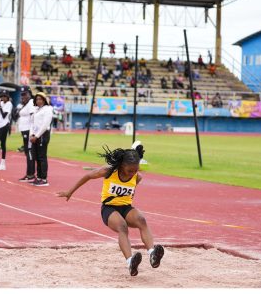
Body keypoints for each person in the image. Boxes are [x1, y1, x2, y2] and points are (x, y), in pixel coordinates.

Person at [56, 143, 165, 276]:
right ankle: (131, 262)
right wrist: (69, 192)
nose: (133, 173)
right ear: (122, 165)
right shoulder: (109, 171)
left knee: (141, 220)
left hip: (126, 208)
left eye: (135, 170)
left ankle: (152, 254)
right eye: (130, 170)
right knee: (122, 226)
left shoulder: (137, 177)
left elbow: (131, 187)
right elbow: (88, 176)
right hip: (109, 208)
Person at [30, 92, 53, 186]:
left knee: (42, 157)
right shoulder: (36, 110)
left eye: (40, 99)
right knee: (36, 157)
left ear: (44, 100)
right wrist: (31, 134)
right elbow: (32, 123)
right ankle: (39, 177)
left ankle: (44, 179)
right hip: (35, 135)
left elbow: (45, 125)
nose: (38, 101)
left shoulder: (47, 109)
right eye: (37, 99)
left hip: (42, 135)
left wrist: (37, 136)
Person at [16, 87, 37, 182]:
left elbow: (33, 117)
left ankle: (30, 175)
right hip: (25, 131)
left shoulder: (31, 102)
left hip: (29, 132)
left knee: (29, 153)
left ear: (29, 94)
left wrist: (32, 133)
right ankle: (29, 173)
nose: (23, 96)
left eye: (25, 94)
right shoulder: (25, 104)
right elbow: (15, 116)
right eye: (22, 94)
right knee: (27, 153)